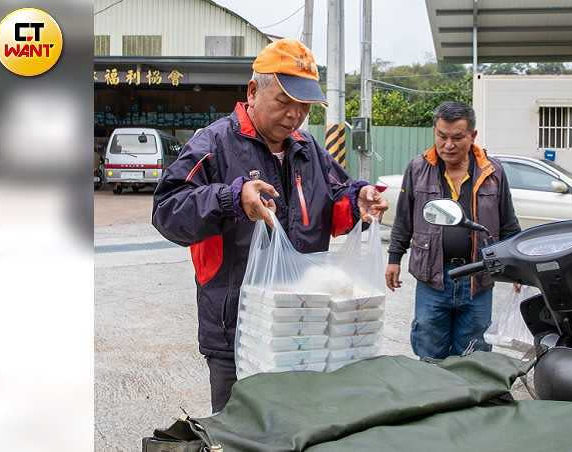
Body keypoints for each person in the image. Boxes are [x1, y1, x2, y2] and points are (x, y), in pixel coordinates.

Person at [151, 39, 388, 413]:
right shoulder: (212, 144)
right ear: (252, 91)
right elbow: (167, 211)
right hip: (237, 331)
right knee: (242, 432)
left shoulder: (309, 150)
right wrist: (230, 199)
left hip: (303, 328)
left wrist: (358, 203)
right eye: (283, 102)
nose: (295, 115)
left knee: (305, 425)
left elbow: (337, 201)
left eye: (304, 106)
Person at [385, 101, 520, 360]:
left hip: (478, 277)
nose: (448, 145)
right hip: (433, 277)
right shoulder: (417, 168)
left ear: (472, 136)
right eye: (441, 136)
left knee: (473, 354)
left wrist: (517, 267)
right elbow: (403, 218)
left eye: (457, 138)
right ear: (435, 131)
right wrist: (394, 258)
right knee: (429, 349)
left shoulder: (493, 172)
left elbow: (508, 224)